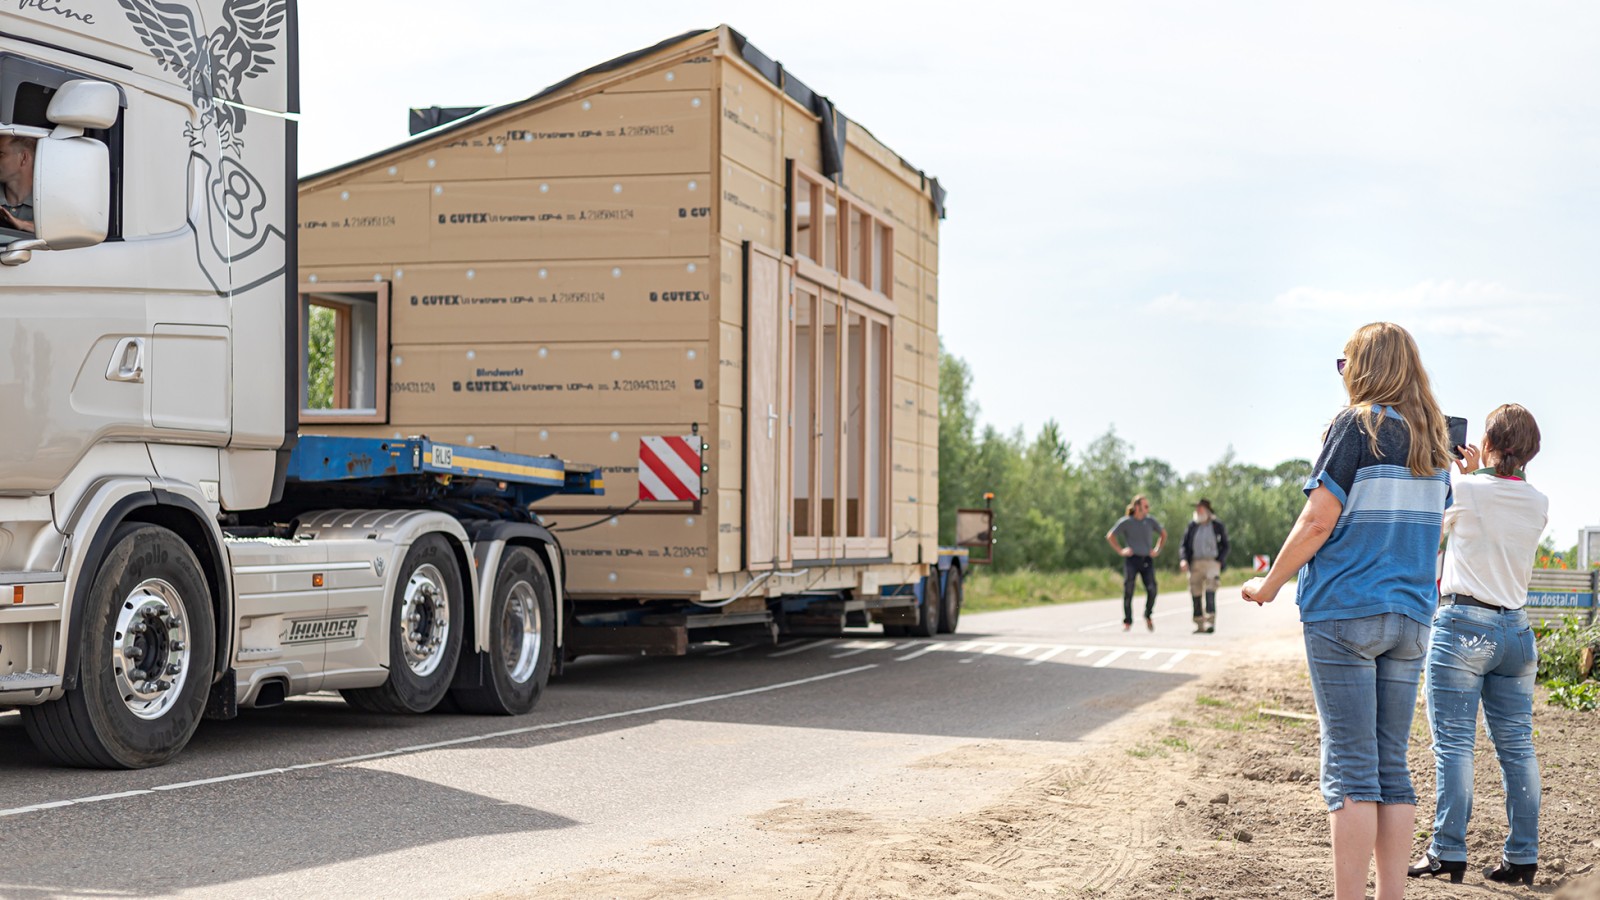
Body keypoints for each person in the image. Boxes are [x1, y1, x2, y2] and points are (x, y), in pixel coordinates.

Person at [1242, 322, 1453, 900]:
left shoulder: (1355, 427)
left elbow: (1316, 521)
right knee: (1392, 767)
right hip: (1410, 617)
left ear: (1365, 369)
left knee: (1352, 770)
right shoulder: (1434, 443)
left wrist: (1269, 584)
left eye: (1346, 363)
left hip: (1344, 613)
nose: (1343, 375)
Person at [1409, 404, 1547, 887]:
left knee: (1454, 746)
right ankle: (1523, 857)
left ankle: (1447, 851)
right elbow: (1496, 509)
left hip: (1464, 626)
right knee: (1517, 747)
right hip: (1517, 632)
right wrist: (1475, 474)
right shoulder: (1539, 501)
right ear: (1529, 451)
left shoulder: (1464, 488)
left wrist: (1461, 473)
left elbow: (1436, 526)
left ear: (1486, 443)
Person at [1106, 494, 1167, 632]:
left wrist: (1157, 549)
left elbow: (1163, 534)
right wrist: (1121, 550)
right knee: (1128, 589)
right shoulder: (1127, 522)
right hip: (1132, 559)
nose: (1147, 508)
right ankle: (1127, 621)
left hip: (1146, 559)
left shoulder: (1150, 521)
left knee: (1152, 589)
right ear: (1137, 507)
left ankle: (1148, 614)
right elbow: (1110, 536)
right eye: (1145, 506)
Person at [1179, 498, 1230, 633]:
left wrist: (1220, 559)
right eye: (1197, 508)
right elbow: (1184, 545)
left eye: (1200, 508)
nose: (1197, 510)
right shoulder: (1192, 526)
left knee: (1210, 589)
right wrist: (1184, 559)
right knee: (1195, 591)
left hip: (1212, 562)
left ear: (1207, 510)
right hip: (1195, 562)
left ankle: (1210, 622)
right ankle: (1199, 623)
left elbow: (1226, 545)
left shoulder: (1217, 525)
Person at [0, 133, 37, 233]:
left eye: (1, 154)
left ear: (23, 158)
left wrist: (24, 225)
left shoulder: (50, 201)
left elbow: (68, 233)